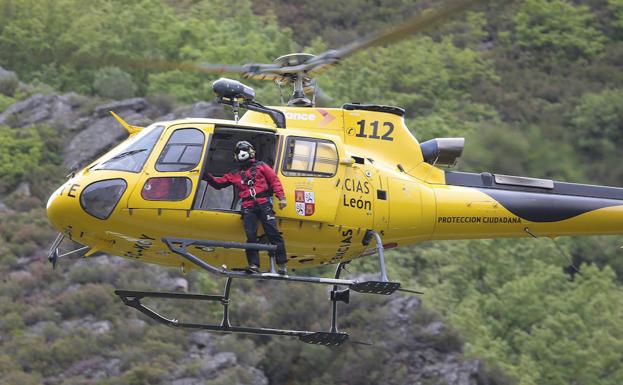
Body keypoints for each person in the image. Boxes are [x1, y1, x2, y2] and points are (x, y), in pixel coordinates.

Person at [203, 141, 288, 274]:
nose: (241, 153)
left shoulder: (262, 166)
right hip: (248, 207)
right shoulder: (234, 173)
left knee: (273, 232)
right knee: (250, 236)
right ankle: (254, 265)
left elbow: (274, 180)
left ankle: (282, 264)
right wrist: (204, 174)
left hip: (264, 203)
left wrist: (281, 197)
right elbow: (218, 183)